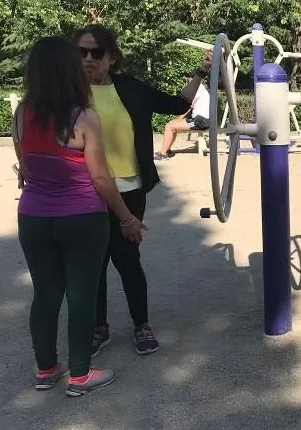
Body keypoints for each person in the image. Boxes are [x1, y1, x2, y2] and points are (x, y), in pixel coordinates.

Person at [13, 37, 146, 397]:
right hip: (82, 218)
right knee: (81, 294)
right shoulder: (84, 116)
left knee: (45, 295)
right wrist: (127, 218)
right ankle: (80, 375)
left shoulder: (21, 112)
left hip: (34, 217)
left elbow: (24, 167)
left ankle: (45, 370)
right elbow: (100, 177)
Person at [72, 24, 210, 357]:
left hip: (130, 187)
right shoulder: (68, 94)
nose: (88, 59)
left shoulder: (128, 87)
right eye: (81, 53)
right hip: (85, 191)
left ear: (111, 57)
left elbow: (176, 104)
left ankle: (141, 324)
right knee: (94, 263)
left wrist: (201, 71)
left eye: (96, 53)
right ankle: (98, 327)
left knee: (127, 258)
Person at [154, 81, 211, 160]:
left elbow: (187, 108)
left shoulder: (197, 90)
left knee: (169, 126)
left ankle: (163, 153)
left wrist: (176, 120)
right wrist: (175, 121)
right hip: (201, 120)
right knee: (171, 125)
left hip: (201, 121)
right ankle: (167, 150)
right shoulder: (202, 89)